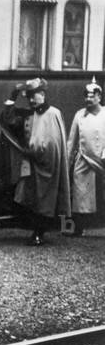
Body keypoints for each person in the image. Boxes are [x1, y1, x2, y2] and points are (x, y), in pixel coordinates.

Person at [0, 78, 70, 246]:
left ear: (43, 95)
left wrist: (39, 151)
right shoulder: (28, 113)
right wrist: (13, 96)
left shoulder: (53, 113)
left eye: (34, 96)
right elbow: (8, 119)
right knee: (29, 197)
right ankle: (35, 230)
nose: (31, 100)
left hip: (47, 164)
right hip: (30, 164)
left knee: (45, 199)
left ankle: (40, 232)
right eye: (29, 97)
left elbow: (54, 141)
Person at [67, 77, 105, 235]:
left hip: (102, 158)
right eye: (86, 96)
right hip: (83, 158)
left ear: (99, 97)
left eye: (92, 96)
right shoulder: (79, 115)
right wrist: (67, 161)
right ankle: (79, 226)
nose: (88, 99)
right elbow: (71, 140)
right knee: (80, 191)